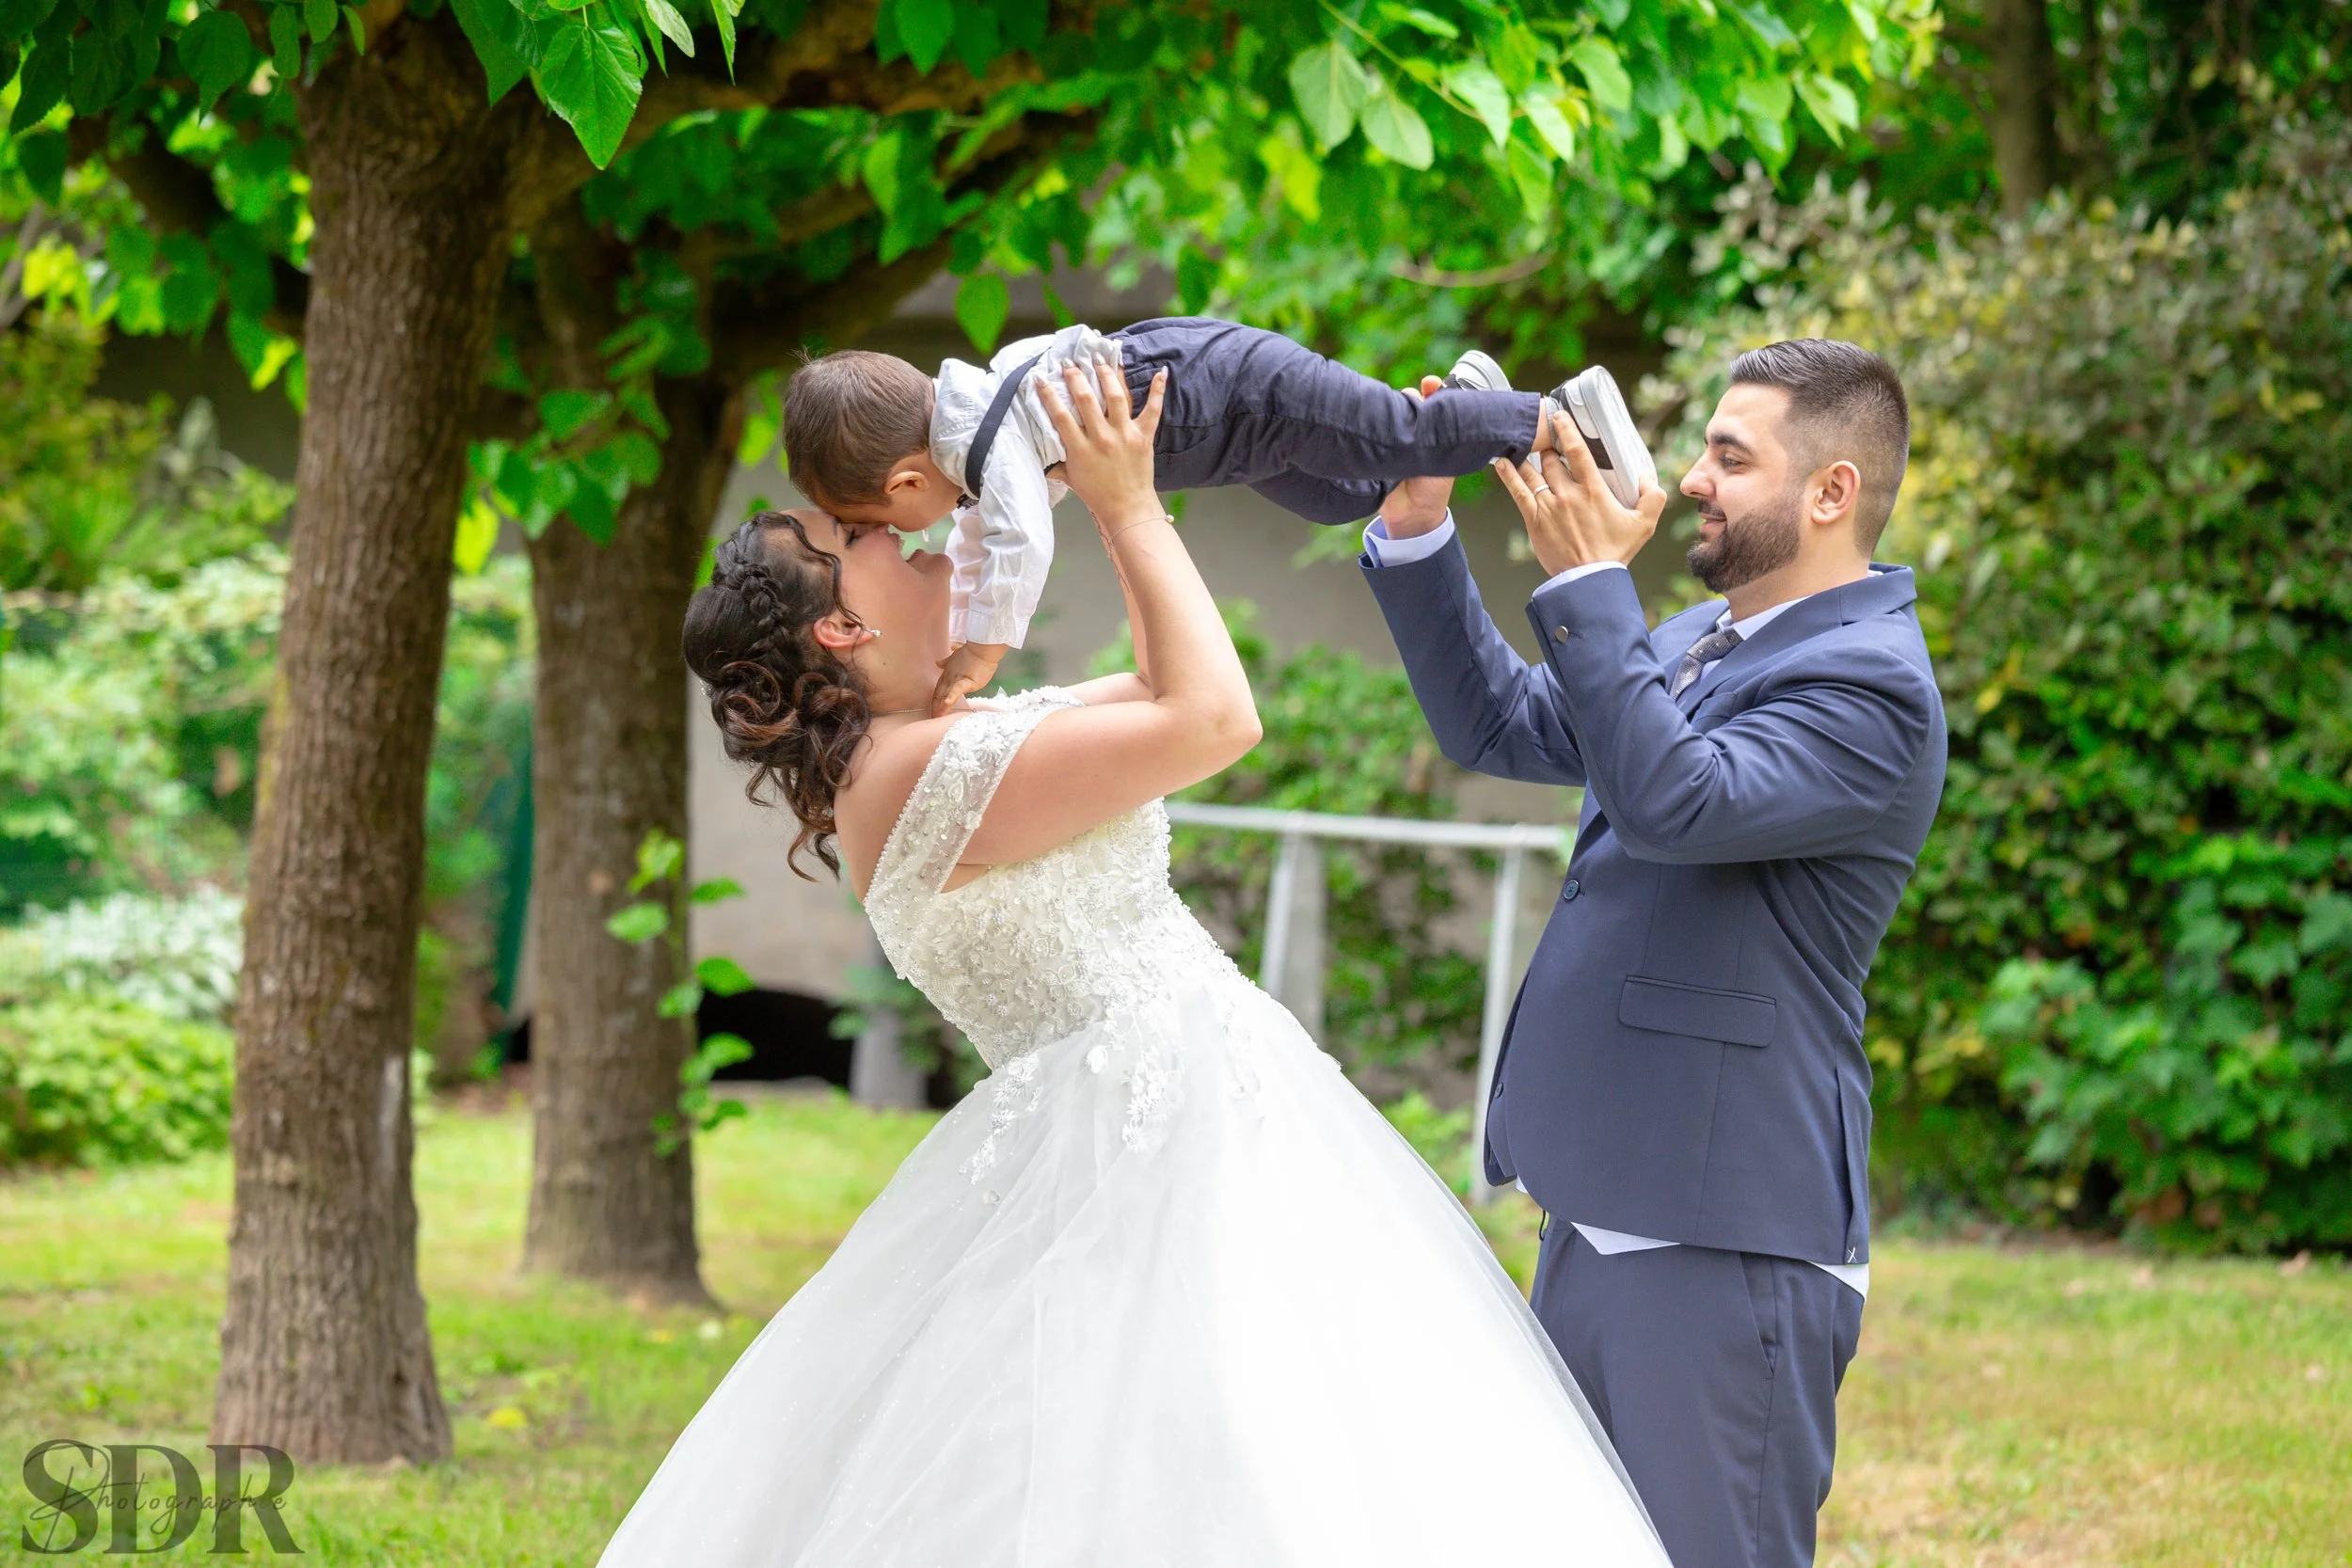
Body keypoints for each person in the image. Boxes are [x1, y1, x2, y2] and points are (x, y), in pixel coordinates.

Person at [601, 361, 1671, 1567]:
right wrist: (1124, 504)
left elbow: (1167, 681)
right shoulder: (906, 779)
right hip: (1145, 1128)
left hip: (1204, 1088)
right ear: (841, 628)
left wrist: (1083, 488)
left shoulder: (941, 739)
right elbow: (1215, 719)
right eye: (865, 545)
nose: (903, 536)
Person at [1359, 341, 1947, 1568]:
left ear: (1832, 492)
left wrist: (1589, 585)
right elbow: (1503, 721)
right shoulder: (1694, 634)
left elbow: (1678, 801)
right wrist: (1419, 521)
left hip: (1725, 1236)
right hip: (1599, 1202)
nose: (1690, 480)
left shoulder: (1874, 684)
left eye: (1731, 457)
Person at [780, 318, 1647, 715]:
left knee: (1395, 431)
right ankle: (1469, 400)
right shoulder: (975, 450)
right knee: (1343, 495)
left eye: (897, 524)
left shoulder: (990, 439)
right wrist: (969, 628)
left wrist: (982, 647)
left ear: (902, 483)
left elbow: (1016, 541)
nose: (919, 533)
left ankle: (1557, 415)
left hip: (1229, 382)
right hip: (1226, 438)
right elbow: (980, 538)